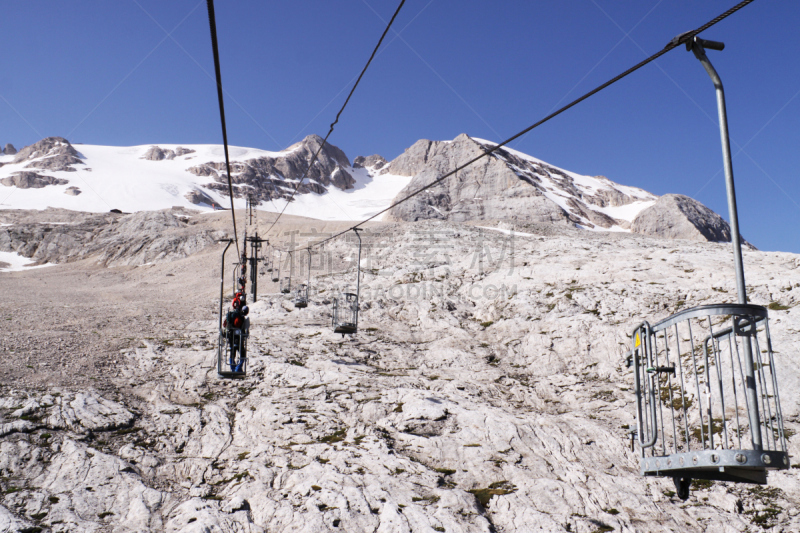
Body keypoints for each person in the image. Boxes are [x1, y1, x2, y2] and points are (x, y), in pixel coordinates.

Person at [222, 298, 250, 372]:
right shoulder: (241, 317)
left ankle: (233, 368)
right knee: (242, 354)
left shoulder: (230, 314)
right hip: (239, 337)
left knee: (232, 353)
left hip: (231, 336)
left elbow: (224, 324)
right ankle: (238, 368)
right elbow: (245, 327)